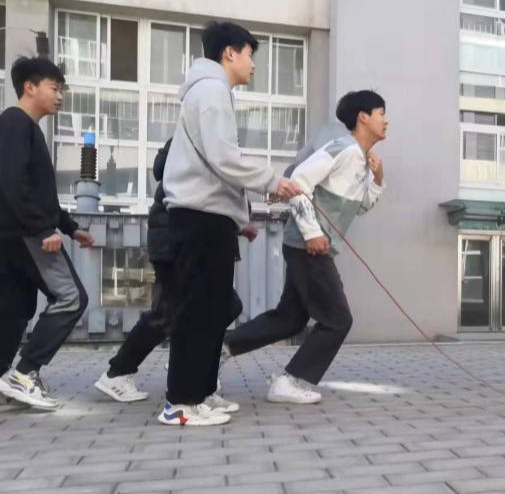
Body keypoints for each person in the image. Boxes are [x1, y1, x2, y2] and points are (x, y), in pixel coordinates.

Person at [159, 21, 302, 426]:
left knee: (213, 310)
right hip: (199, 219)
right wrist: (273, 180)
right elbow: (224, 158)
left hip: (210, 219)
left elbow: (217, 165)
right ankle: (180, 403)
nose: (253, 64)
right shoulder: (211, 91)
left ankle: (202, 392)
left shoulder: (210, 91)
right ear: (229, 53)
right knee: (198, 312)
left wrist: (241, 215)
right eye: (250, 54)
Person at [223, 90, 386, 404]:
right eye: (381, 113)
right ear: (363, 117)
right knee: (338, 320)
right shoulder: (343, 148)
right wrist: (312, 232)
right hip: (307, 246)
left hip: (311, 246)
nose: (386, 120)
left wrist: (378, 178)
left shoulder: (362, 162)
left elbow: (363, 206)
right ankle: (290, 381)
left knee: (290, 319)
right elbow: (298, 180)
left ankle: (219, 348)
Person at [93, 137, 251, 408]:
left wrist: (238, 223)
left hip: (184, 240)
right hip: (178, 241)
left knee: (206, 309)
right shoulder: (194, 144)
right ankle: (124, 372)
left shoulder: (202, 145)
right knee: (175, 312)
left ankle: (193, 378)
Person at [0, 57, 95, 410]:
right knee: (71, 297)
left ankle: (4, 380)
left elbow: (39, 194)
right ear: (30, 87)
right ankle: (24, 374)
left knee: (15, 308)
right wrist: (43, 229)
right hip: (26, 234)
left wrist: (70, 228)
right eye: (55, 88)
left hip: (16, 234)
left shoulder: (26, 128)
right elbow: (11, 182)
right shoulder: (16, 123)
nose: (60, 96)